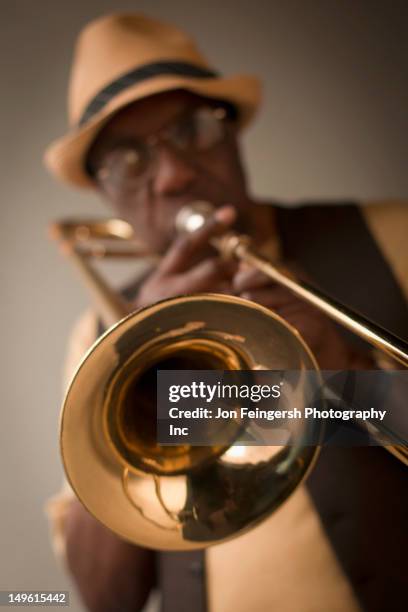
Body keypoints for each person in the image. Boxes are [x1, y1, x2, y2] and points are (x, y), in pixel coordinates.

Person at [44, 13, 408, 612]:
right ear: (106, 195)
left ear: (234, 133)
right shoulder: (97, 336)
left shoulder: (388, 235)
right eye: (130, 162)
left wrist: (347, 373)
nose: (176, 175)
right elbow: (108, 599)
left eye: (192, 130)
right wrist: (128, 378)